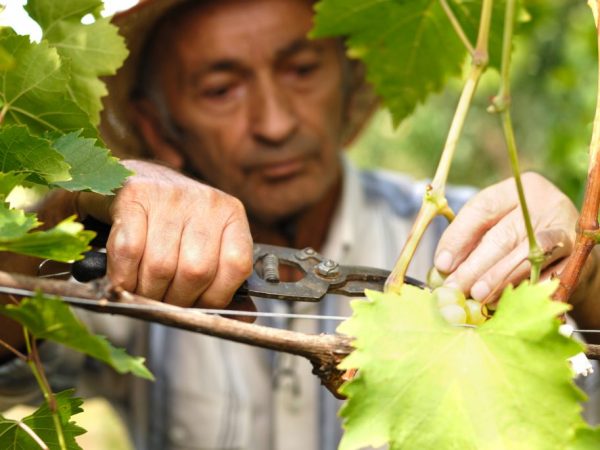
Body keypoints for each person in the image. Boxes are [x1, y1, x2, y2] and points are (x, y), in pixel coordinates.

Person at [1, 0, 600, 448]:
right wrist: (78, 202)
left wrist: (587, 277)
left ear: (346, 81)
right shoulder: (123, 262)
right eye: (221, 88)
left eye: (301, 69)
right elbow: (10, 373)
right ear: (156, 128)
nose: (275, 121)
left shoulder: (476, 240)